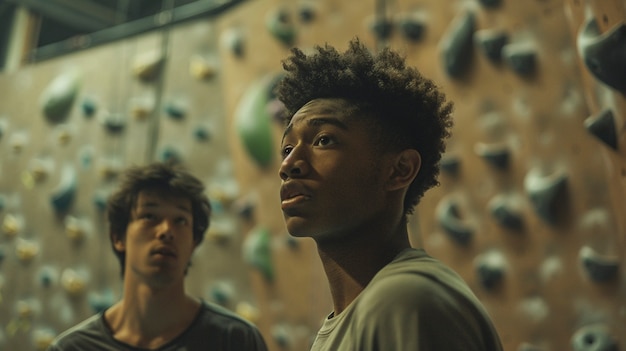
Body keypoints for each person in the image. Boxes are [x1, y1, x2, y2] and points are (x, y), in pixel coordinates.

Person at [275, 38, 504, 351]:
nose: (289, 165)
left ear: (399, 170)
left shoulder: (404, 300)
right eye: (287, 149)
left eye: (324, 140)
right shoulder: (356, 315)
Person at [48, 162, 268, 351]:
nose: (166, 230)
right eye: (149, 216)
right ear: (118, 237)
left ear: (193, 242)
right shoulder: (73, 348)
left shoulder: (234, 340)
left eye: (180, 220)